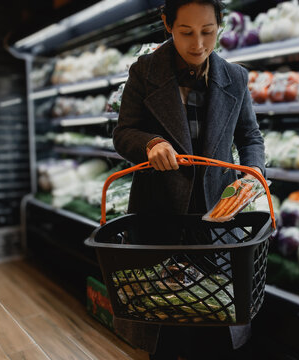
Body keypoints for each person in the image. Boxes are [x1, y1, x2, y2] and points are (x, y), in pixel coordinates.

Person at [112, 0, 266, 358]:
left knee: (215, 322)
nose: (198, 43)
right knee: (164, 325)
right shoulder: (144, 71)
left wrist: (254, 171)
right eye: (186, 32)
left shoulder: (236, 77)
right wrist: (150, 143)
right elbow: (123, 133)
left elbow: (250, 137)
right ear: (167, 23)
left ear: (219, 27)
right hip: (159, 216)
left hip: (218, 217)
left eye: (208, 32)